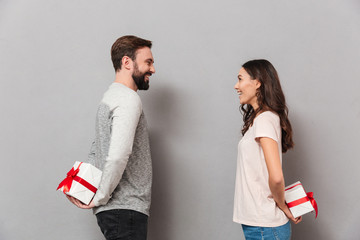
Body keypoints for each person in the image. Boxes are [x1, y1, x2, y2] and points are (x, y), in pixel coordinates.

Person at [66, 35, 155, 240]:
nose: (153, 69)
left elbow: (97, 149)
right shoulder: (128, 99)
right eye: (148, 62)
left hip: (113, 212)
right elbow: (117, 155)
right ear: (126, 62)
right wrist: (101, 197)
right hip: (126, 209)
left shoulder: (108, 98)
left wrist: (81, 188)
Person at [233, 59, 301, 240]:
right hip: (259, 224)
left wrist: (283, 206)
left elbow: (277, 176)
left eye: (240, 79)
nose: (236, 86)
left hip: (265, 225)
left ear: (257, 83)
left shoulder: (265, 119)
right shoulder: (261, 119)